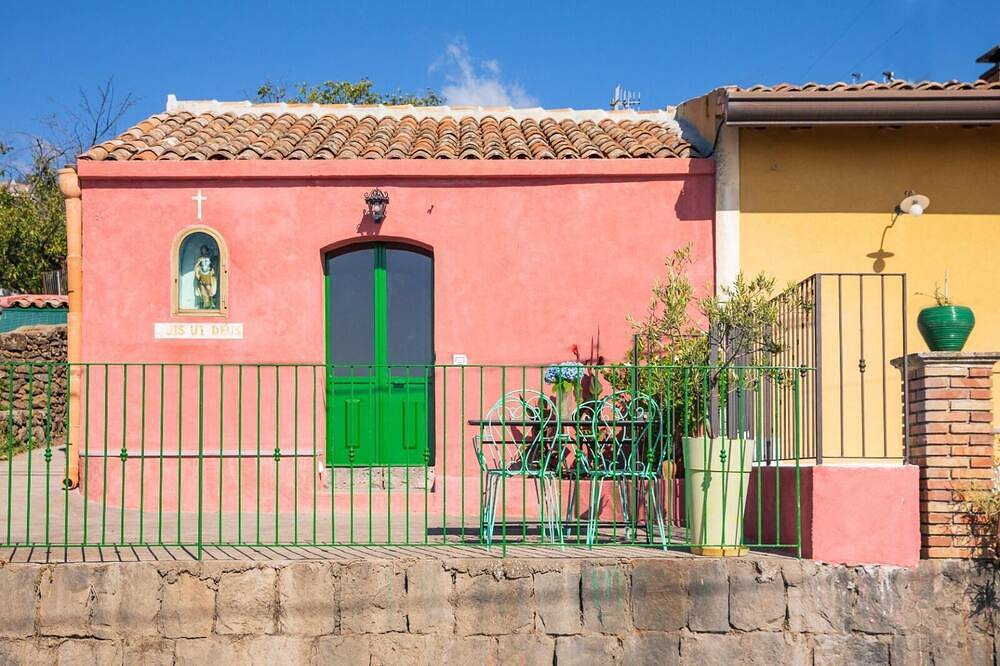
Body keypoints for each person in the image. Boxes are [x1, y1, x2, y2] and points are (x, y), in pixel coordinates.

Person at [194, 244, 218, 309]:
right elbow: (197, 266)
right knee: (202, 288)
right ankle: (206, 303)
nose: (203, 252)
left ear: (207, 251)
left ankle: (212, 302)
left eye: (205, 250)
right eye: (202, 250)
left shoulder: (210, 257)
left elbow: (214, 262)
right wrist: (197, 273)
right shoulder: (200, 258)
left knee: (209, 287)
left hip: (208, 274)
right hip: (201, 274)